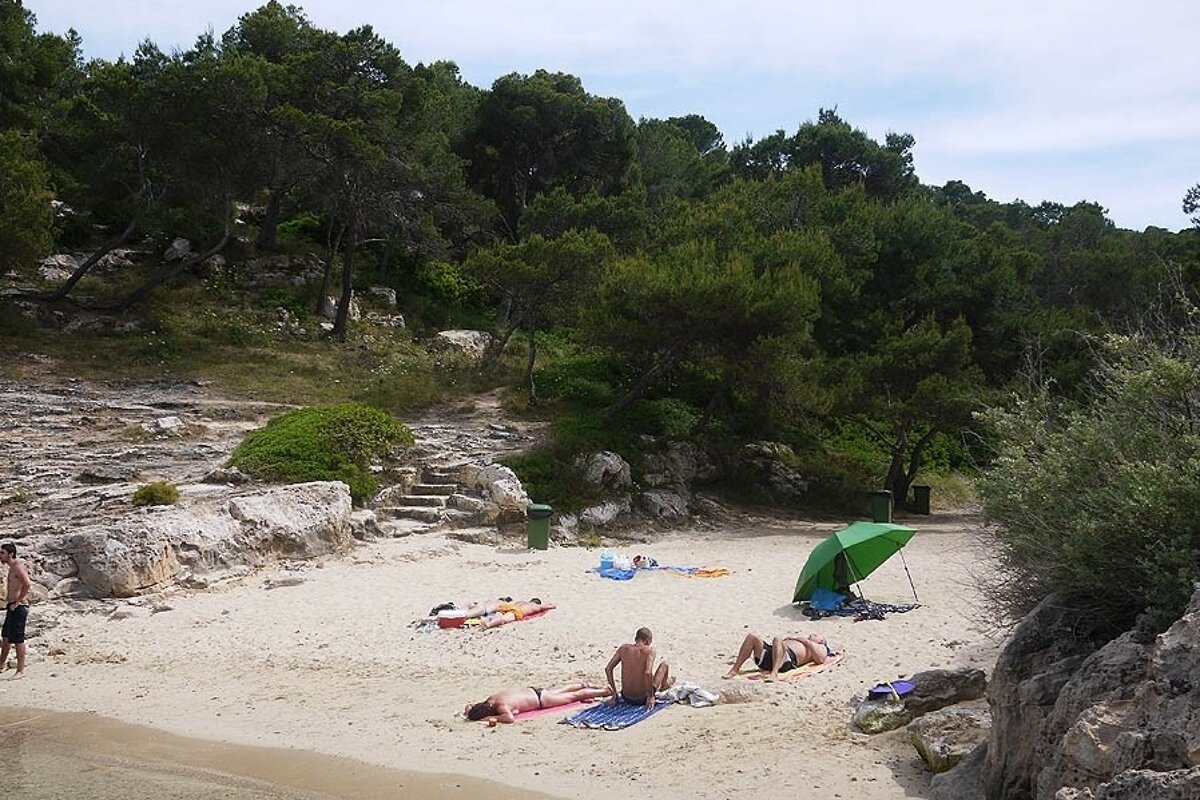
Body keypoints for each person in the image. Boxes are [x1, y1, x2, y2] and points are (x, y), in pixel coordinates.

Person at [464, 683, 612, 725]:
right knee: (560, 692)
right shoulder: (491, 699)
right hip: (534, 691)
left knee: (573, 697)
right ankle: (583, 684)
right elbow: (470, 706)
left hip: (541, 701)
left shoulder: (501, 706)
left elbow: (509, 719)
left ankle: (604, 691)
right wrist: (468, 712)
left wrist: (491, 719)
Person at [605, 627, 674, 709]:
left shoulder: (623, 648)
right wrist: (650, 696)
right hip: (642, 699)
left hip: (626, 697)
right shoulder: (649, 650)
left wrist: (614, 693)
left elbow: (608, 668)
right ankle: (665, 685)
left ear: (635, 639)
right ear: (648, 640)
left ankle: (667, 683)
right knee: (664, 665)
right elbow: (648, 673)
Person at [722, 632, 832, 680]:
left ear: (821, 640)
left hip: (786, 661)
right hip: (772, 656)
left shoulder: (820, 646)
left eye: (816, 635)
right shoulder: (803, 640)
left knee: (777, 639)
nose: (811, 635)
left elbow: (821, 660)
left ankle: (774, 673)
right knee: (752, 636)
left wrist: (807, 642)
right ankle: (734, 669)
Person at [1, 542, 31, 679]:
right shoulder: (11, 567)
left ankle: (20, 671)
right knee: (6, 637)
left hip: (19, 607)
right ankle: (1, 665)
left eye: (2, 553)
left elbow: (27, 584)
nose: (0, 555)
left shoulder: (18, 566)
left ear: (10, 554)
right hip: (11, 605)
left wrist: (18, 601)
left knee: (18, 639)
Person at [479, 598, 555, 629]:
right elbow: (547, 607)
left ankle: (487, 620)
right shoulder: (535, 606)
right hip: (517, 610)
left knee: (499, 613)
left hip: (509, 606)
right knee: (503, 619)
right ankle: (489, 625)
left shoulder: (522, 602)